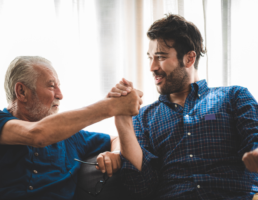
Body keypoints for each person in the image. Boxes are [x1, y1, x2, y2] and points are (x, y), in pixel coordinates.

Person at [108, 14, 258, 199]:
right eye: (150, 58)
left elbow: (254, 138)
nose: (152, 67)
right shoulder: (142, 118)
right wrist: (122, 121)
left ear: (189, 58)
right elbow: (141, 188)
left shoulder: (234, 97)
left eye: (160, 57)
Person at [0, 56, 143, 200]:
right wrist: (110, 106)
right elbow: (37, 134)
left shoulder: (72, 137)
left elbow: (114, 138)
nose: (60, 94)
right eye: (52, 86)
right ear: (21, 92)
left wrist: (114, 153)